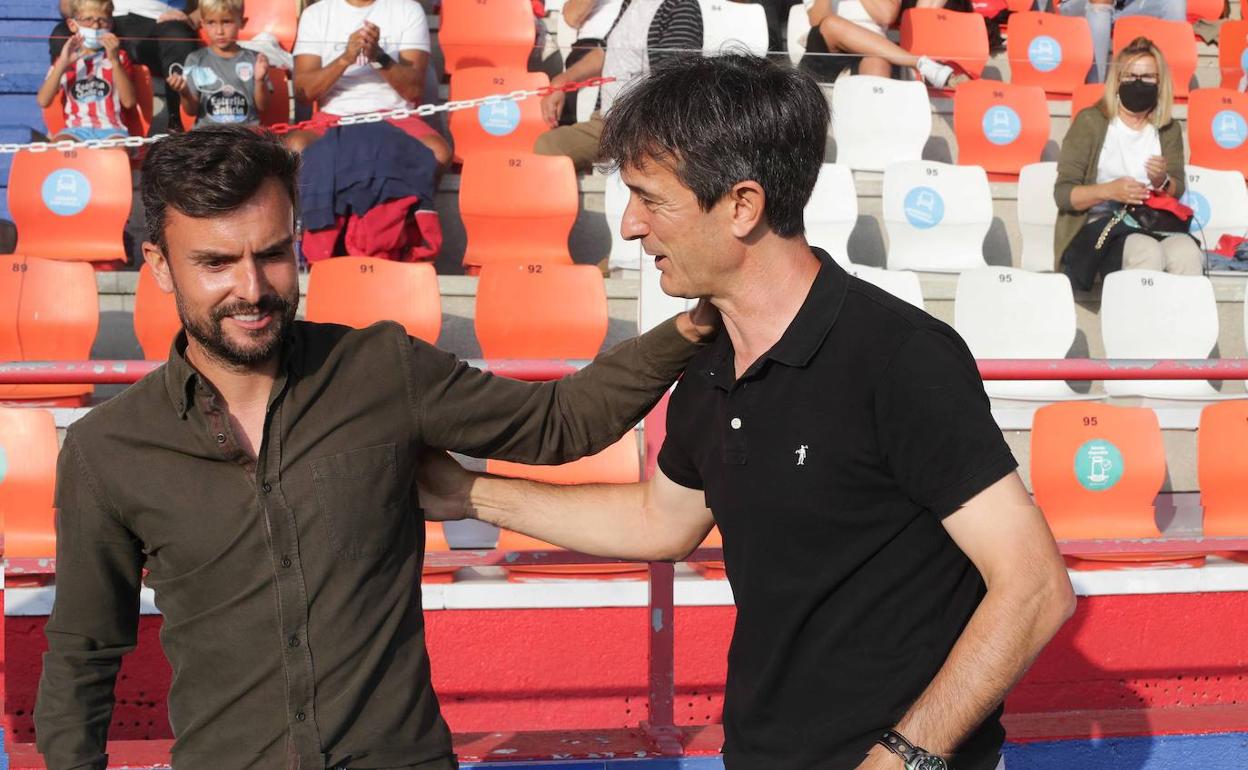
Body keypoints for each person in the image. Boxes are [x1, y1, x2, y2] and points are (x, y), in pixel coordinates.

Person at [420, 54, 1075, 770]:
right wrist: (467, 494)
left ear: (742, 206)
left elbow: (1036, 586)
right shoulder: (709, 361)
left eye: (652, 199)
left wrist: (902, 758)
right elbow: (659, 522)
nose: (632, 226)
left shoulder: (899, 357)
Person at [33, 125, 714, 769]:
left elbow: (562, 422)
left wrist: (693, 326)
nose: (251, 288)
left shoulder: (381, 370)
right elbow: (82, 656)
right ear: (157, 265)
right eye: (215, 263)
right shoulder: (107, 449)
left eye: (271, 254)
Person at [1053, 37, 1201, 282]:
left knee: (1188, 253)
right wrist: (1109, 191)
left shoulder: (1167, 129)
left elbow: (1176, 189)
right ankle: (1134, 320)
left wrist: (1162, 181)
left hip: (1149, 223)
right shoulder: (1091, 122)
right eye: (1130, 76)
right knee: (1146, 251)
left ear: (1160, 82)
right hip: (1097, 226)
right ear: (1117, 80)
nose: (1138, 83)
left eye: (1148, 77)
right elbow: (1063, 194)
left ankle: (1179, 320)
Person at [534, 0, 703, 174]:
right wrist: (563, 81)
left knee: (547, 147)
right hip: (609, 120)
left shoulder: (679, 6)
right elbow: (605, 51)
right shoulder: (631, 4)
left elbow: (673, 87)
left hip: (637, 126)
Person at [288, 0, 452, 163]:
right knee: (295, 147)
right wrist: (345, 59)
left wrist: (376, 56)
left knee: (437, 153)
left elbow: (414, 91)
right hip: (333, 116)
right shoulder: (315, 14)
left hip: (396, 115)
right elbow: (304, 93)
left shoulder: (408, 10)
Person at [48, 0, 200, 129]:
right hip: (104, 17)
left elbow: (217, 4)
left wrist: (192, 18)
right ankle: (71, 120)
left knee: (177, 34)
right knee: (61, 35)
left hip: (159, 18)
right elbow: (66, 6)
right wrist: (86, 10)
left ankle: (178, 122)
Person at [801, 0, 974, 87]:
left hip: (875, 48)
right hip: (827, 48)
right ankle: (920, 63)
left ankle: (872, 143)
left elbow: (886, 15)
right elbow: (817, 20)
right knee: (832, 24)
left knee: (878, 63)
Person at [37, 0, 137, 142]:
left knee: (116, 149)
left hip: (112, 130)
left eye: (103, 21)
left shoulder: (119, 57)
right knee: (59, 146)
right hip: (75, 130)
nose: (95, 26)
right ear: (72, 25)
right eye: (88, 20)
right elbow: (43, 101)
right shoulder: (65, 59)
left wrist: (114, 61)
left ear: (111, 24)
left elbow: (129, 102)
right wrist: (62, 64)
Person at [165, 0, 269, 127]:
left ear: (242, 22)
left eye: (226, 22)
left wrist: (260, 81)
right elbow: (191, 111)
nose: (219, 31)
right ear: (202, 24)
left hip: (245, 137)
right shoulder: (195, 60)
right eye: (211, 23)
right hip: (208, 139)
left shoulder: (254, 59)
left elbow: (263, 107)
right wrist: (184, 92)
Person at [1059, 0, 1183, 83]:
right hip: (1080, 4)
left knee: (1175, 2)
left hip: (1126, 6)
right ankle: (1094, 87)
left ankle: (1170, 86)